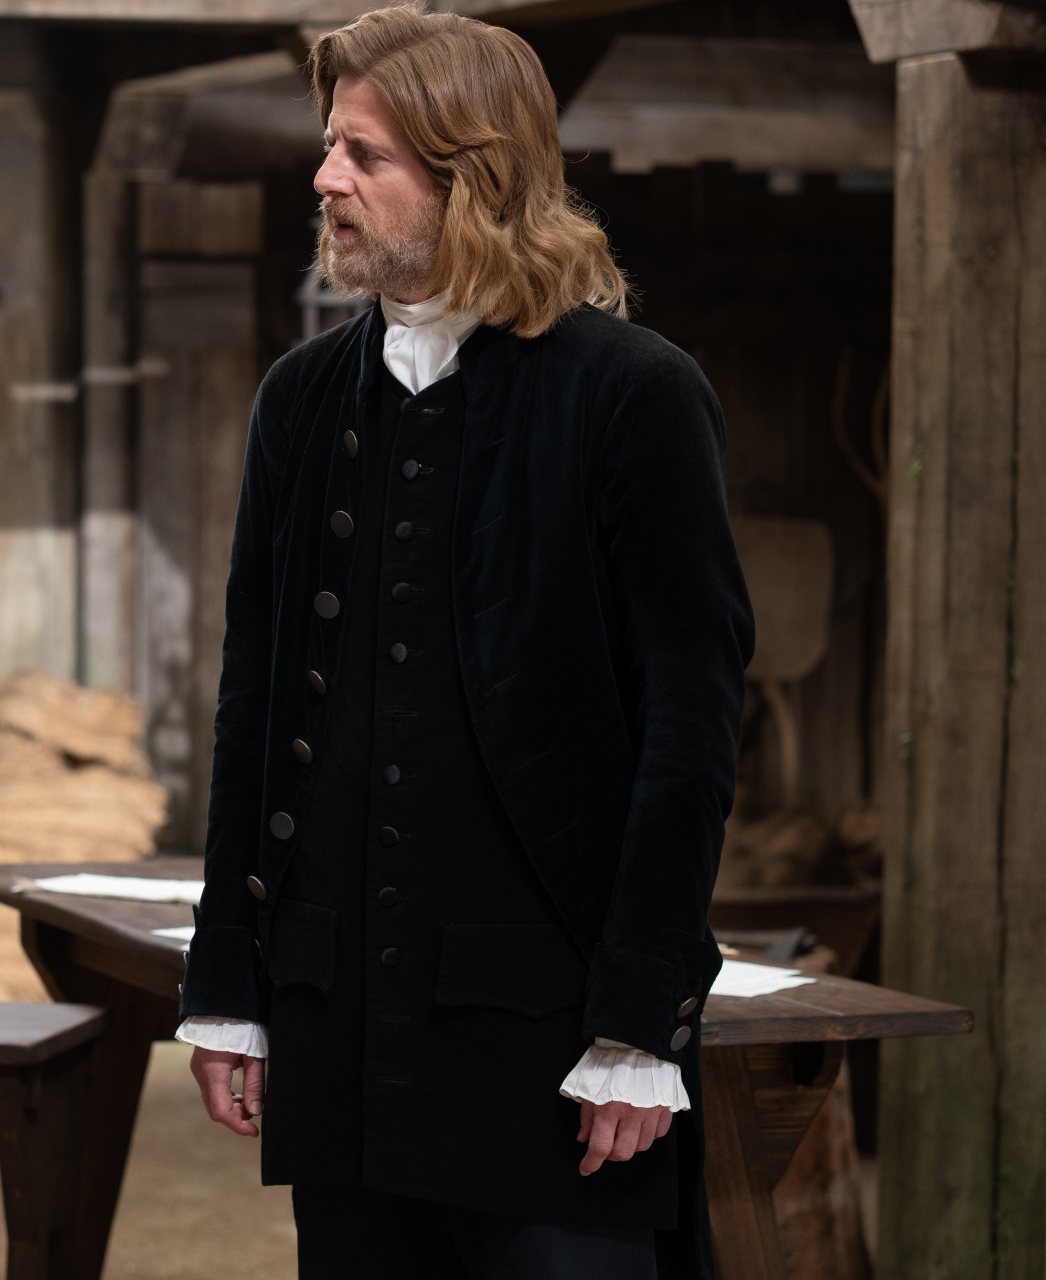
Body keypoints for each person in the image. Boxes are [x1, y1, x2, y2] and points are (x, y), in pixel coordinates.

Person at [175, 10, 752, 1279]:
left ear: (472, 176)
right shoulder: (302, 398)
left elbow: (692, 726)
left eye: (365, 154)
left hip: (555, 1043)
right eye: (330, 144)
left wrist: (640, 1019)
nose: (325, 178)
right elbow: (253, 706)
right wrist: (229, 979)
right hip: (343, 1029)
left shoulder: (631, 392)